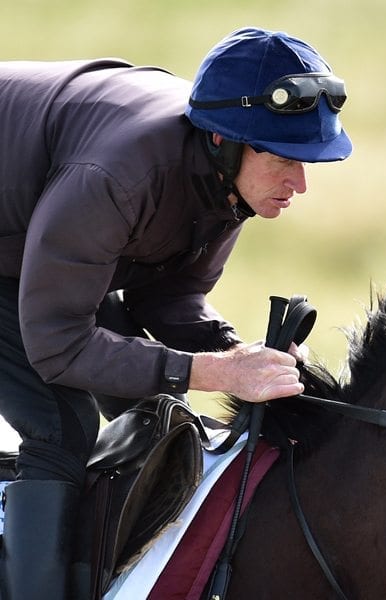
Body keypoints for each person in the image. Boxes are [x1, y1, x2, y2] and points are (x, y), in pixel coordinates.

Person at [0, 26, 352, 599]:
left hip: (27, 240)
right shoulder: (119, 177)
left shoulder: (222, 178)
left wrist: (238, 353)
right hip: (18, 248)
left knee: (149, 407)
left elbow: (164, 299)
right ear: (224, 141)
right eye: (285, 158)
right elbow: (58, 345)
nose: (301, 183)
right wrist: (211, 372)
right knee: (61, 426)